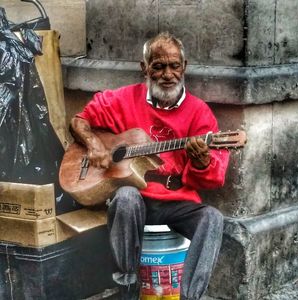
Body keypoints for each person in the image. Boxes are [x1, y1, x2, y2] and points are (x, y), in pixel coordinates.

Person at [70, 32, 230, 300]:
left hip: (177, 201)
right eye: (159, 66)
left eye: (174, 66)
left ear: (184, 67)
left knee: (213, 218)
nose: (168, 74)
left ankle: (191, 296)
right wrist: (94, 145)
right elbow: (79, 121)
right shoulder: (121, 99)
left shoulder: (200, 112)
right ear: (144, 68)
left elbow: (216, 177)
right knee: (124, 198)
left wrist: (202, 161)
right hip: (136, 200)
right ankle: (128, 289)